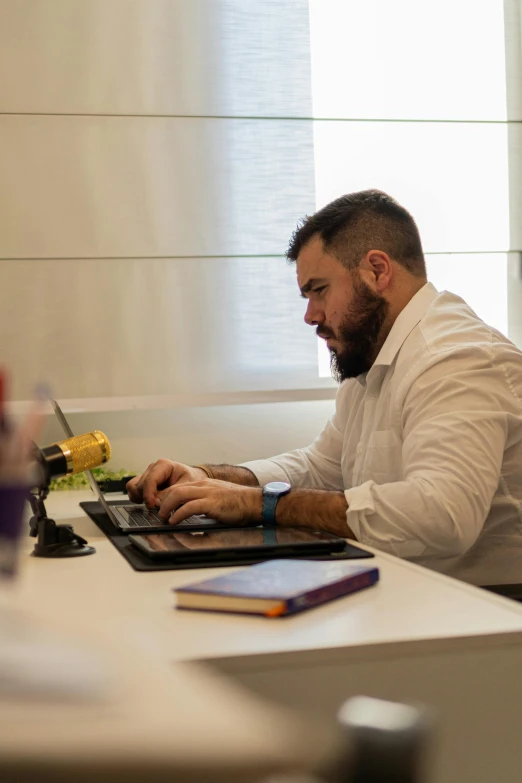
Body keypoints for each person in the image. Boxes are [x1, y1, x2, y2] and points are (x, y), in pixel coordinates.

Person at [127, 190, 522, 586]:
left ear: (377, 271)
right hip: (419, 599)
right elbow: (321, 467)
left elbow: (441, 517)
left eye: (319, 290)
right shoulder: (375, 359)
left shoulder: (457, 360)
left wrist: (259, 504)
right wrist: (208, 477)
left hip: (490, 615)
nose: (310, 315)